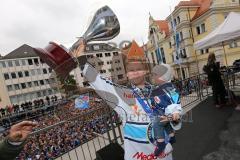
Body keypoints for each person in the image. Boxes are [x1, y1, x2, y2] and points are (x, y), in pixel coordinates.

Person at [72, 41, 181, 160]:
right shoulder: (122, 94)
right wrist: (82, 58)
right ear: (127, 74)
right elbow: (98, 82)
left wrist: (173, 119)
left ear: (145, 71)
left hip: (165, 156)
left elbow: (177, 123)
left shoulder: (161, 92)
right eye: (131, 70)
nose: (135, 73)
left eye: (139, 69)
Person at [149, 64, 182, 157]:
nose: (153, 77)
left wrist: (174, 115)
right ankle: (171, 136)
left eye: (154, 75)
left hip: (163, 114)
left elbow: (175, 102)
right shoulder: (168, 86)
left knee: (157, 125)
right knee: (166, 125)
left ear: (161, 77)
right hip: (165, 113)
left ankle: (160, 144)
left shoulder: (165, 89)